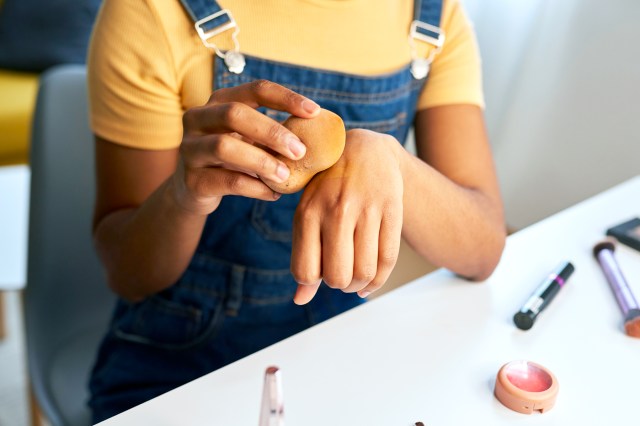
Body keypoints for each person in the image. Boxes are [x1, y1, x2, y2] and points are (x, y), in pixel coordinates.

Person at [87, 0, 506, 422]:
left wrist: (395, 164)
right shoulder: (152, 11)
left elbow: (484, 248)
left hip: (335, 356)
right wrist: (183, 195)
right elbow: (127, 275)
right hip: (178, 367)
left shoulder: (432, 17)